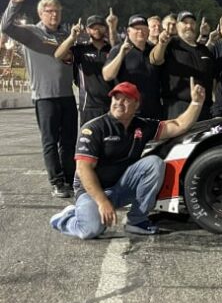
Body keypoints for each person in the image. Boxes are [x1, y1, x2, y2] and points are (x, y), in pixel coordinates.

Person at [49, 80, 206, 239]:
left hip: (120, 187)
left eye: (125, 99)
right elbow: (84, 170)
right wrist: (102, 201)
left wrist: (196, 102)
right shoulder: (94, 128)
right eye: (116, 98)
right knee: (90, 230)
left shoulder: (142, 126)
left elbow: (178, 125)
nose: (119, 103)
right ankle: (66, 218)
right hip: (92, 191)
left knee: (154, 163)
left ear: (136, 104)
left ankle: (136, 221)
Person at [1, 0, 76, 198]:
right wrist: (14, 3)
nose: (54, 14)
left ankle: (70, 179)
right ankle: (57, 181)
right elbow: (6, 27)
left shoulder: (66, 35)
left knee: (69, 141)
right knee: (50, 141)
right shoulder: (31, 33)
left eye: (57, 11)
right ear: (40, 13)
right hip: (45, 97)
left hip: (67, 96)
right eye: (49, 11)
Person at [150, 11, 214, 120]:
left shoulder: (204, 50)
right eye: (185, 23)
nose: (189, 26)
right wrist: (161, 44)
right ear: (178, 26)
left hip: (204, 109)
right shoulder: (171, 44)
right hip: (178, 108)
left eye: (192, 23)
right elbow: (155, 60)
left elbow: (212, 79)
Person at [54, 15, 114, 126]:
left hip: (112, 106)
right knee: (88, 142)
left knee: (111, 142)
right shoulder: (80, 50)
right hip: (88, 107)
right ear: (87, 30)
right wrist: (72, 37)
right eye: (93, 27)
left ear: (105, 29)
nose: (96, 30)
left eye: (100, 26)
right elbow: (58, 55)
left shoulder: (112, 50)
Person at [103, 15, 163, 119]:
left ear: (148, 31)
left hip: (154, 112)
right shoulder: (118, 49)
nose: (140, 31)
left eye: (144, 29)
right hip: (128, 113)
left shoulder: (154, 51)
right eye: (137, 29)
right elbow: (107, 76)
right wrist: (121, 54)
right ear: (128, 32)